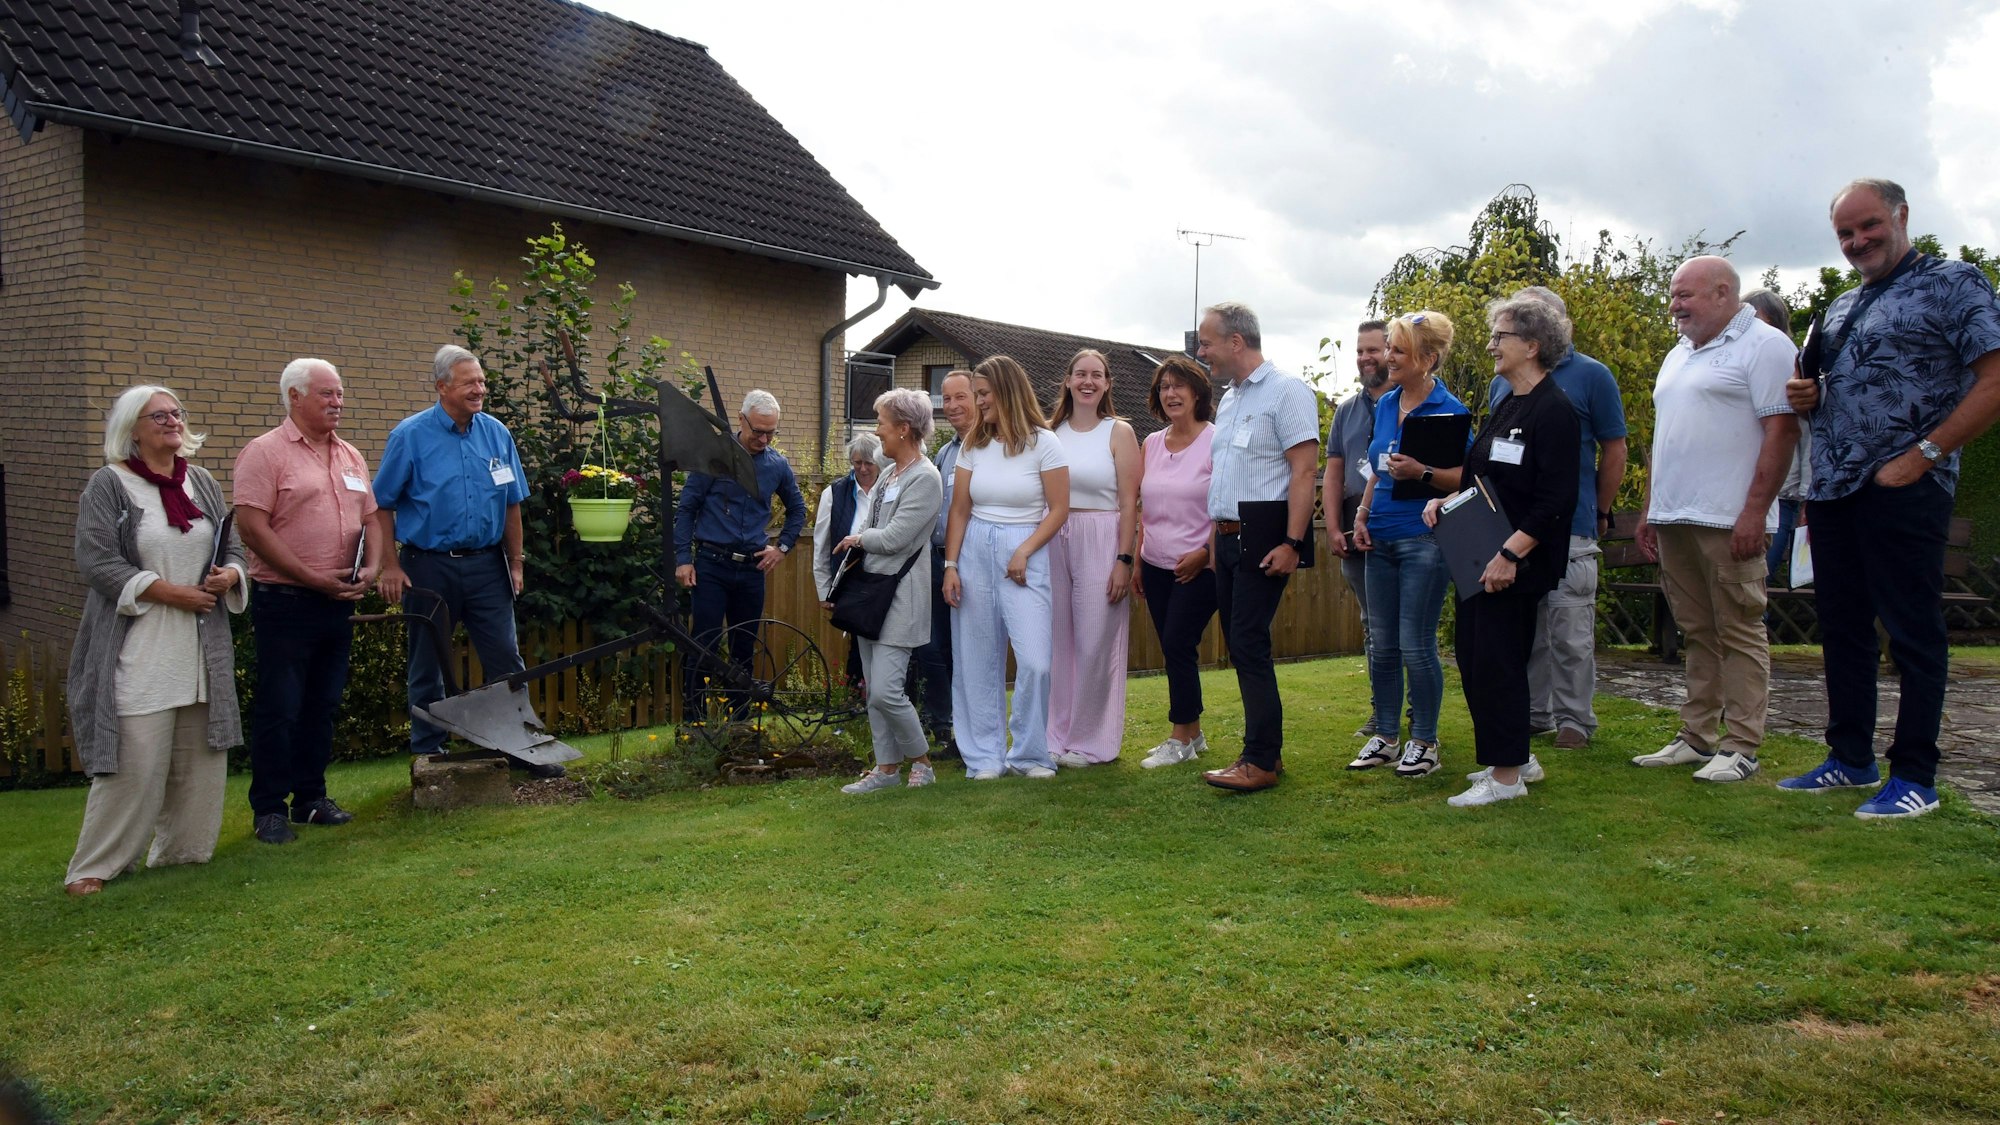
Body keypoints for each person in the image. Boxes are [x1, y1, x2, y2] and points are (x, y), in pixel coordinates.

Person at [1778, 178, 2000, 818]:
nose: (1857, 241)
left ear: (1902, 216)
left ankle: (1916, 778)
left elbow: (1993, 376)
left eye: (1869, 225)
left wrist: (1921, 458)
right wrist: (1808, 398)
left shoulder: (1954, 283)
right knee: (1842, 631)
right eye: (1845, 234)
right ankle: (1850, 758)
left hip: (1907, 486)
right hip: (1834, 486)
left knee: (1912, 634)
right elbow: (1837, 388)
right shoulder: (1844, 304)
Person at [63, 385, 247, 896]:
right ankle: (96, 866)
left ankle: (183, 855)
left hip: (200, 645)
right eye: (158, 415)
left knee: (199, 761)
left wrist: (228, 577)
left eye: (177, 413)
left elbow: (233, 547)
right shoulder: (109, 485)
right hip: (139, 642)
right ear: (132, 429)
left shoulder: (202, 483)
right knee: (134, 762)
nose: (172, 421)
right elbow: (97, 561)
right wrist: (171, 593)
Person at [1631, 257, 1799, 782]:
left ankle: (1743, 744)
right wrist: (1651, 511)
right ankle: (1697, 736)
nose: (1675, 305)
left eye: (1686, 295)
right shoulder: (1678, 353)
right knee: (1697, 629)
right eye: (1673, 295)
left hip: (1730, 519)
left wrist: (1755, 512)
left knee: (1740, 629)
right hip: (1675, 514)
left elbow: (1782, 432)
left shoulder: (1767, 346)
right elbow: (1667, 438)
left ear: (1725, 293)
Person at [1426, 296, 1581, 806]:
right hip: (1479, 554)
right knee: (1476, 656)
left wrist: (1510, 556)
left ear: (1532, 346)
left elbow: (1555, 500)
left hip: (1515, 562)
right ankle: (1513, 757)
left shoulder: (1554, 411)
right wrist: (1446, 501)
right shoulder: (1509, 402)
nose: (1491, 344)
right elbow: (1486, 480)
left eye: (1501, 336)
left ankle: (1507, 776)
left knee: (1497, 660)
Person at [374, 346, 556, 776]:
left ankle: (522, 746)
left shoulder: (496, 434)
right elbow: (381, 504)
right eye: (470, 382)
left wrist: (516, 562)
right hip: (428, 566)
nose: (480, 389)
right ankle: (429, 753)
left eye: (482, 381)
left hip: (487, 566)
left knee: (506, 660)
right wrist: (391, 565)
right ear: (442, 387)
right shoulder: (410, 436)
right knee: (428, 661)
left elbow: (512, 503)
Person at [233, 358, 386, 844]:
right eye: (326, 394)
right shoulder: (265, 453)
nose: (337, 402)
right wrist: (311, 577)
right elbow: (251, 528)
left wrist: (373, 568)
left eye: (339, 393)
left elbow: (374, 521)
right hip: (286, 601)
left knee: (323, 704)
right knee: (281, 706)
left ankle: (311, 799)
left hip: (337, 601)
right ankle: (270, 810)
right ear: (294, 396)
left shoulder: (350, 456)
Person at [1486, 287, 1628, 750]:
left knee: (1569, 630)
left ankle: (1575, 720)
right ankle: (1535, 714)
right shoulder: (1501, 382)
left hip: (1571, 524)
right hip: (1514, 529)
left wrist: (1601, 509)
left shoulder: (1591, 376)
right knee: (1529, 631)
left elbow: (1614, 447)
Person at [1196, 301, 1321, 793]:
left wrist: (1293, 542)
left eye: (1206, 342)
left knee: (1249, 644)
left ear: (1235, 342)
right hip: (1226, 539)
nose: (1200, 351)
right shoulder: (1228, 399)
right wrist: (1212, 540)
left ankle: (1261, 760)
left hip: (1265, 539)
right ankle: (1265, 751)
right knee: (1242, 645)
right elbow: (1225, 477)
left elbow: (1304, 472)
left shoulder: (1287, 391)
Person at [1347, 312, 1468, 779]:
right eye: (1390, 349)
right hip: (1379, 537)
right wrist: (1361, 515)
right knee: (1382, 645)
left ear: (1428, 358)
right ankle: (1386, 735)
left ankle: (1426, 740)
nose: (1389, 357)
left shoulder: (1449, 410)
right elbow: (1378, 468)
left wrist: (1422, 474)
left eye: (1398, 350)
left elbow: (1468, 477)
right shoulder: (1386, 403)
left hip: (1423, 540)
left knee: (1416, 646)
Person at [941, 355, 1070, 780]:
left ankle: (1029, 754)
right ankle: (985, 757)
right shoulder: (972, 445)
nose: (977, 403)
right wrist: (951, 565)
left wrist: (1025, 550)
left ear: (1007, 391)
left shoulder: (1044, 443)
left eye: (982, 394)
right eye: (976, 395)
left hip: (1023, 550)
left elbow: (1059, 509)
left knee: (1035, 660)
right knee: (977, 659)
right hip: (974, 546)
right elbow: (959, 509)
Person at [671, 388, 807, 721]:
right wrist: (683, 558)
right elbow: (686, 509)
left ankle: (741, 722)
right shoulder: (713, 457)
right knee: (704, 643)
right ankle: (695, 721)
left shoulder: (777, 465)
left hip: (751, 570)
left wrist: (783, 548)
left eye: (770, 432)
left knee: (744, 646)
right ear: (740, 419)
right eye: (757, 431)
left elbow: (798, 509)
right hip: (711, 565)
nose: (763, 439)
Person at [835, 389, 945, 793]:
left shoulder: (925, 477)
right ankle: (885, 770)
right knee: (871, 690)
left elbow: (896, 537)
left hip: (900, 596)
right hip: (870, 593)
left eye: (882, 422)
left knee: (885, 691)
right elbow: (872, 523)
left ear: (904, 428)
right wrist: (861, 536)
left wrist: (857, 540)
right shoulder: (888, 473)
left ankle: (922, 760)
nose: (876, 430)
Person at [1047, 348, 1141, 768]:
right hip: (1055, 538)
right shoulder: (1049, 433)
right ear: (1067, 380)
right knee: (1057, 642)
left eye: (1097, 375)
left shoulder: (1118, 432)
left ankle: (1090, 742)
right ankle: (1055, 735)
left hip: (1102, 537)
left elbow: (1130, 503)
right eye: (1080, 373)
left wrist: (1124, 558)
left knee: (1094, 641)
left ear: (1106, 384)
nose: (1088, 381)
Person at [1132, 355, 1218, 768]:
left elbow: (1227, 508)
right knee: (1173, 647)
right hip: (1155, 563)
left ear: (1197, 392)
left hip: (1200, 566)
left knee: (1179, 643)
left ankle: (1179, 737)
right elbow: (1143, 509)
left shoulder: (1215, 441)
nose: (1171, 393)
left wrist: (1205, 555)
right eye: (1164, 386)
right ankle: (1194, 733)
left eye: (1179, 385)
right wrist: (1136, 563)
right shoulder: (1150, 444)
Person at [1323, 319, 1392, 736]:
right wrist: (1333, 527)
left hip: (1398, 522)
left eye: (1375, 350)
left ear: (1393, 352)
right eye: (1360, 351)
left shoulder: (1409, 404)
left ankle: (1414, 715)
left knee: (1402, 626)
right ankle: (1381, 710)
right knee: (1371, 624)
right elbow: (1333, 474)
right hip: (1352, 525)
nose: (1366, 358)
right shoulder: (1347, 410)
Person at [910, 371, 975, 751]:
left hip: (970, 562)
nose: (951, 406)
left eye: (960, 397)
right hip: (935, 562)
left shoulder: (988, 449)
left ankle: (971, 731)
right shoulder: (944, 453)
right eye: (945, 399)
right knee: (933, 648)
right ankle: (944, 728)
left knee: (969, 650)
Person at [1743, 287, 1810, 593]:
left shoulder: (1793, 368)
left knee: (1756, 577)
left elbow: (1807, 439)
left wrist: (1808, 500)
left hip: (1783, 497)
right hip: (1740, 492)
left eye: (1757, 319)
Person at [813, 433, 882, 696]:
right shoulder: (834, 493)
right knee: (857, 640)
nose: (862, 469)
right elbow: (821, 546)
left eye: (868, 463)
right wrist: (825, 591)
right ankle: (857, 698)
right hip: (850, 579)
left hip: (883, 578)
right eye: (857, 463)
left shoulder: (889, 490)